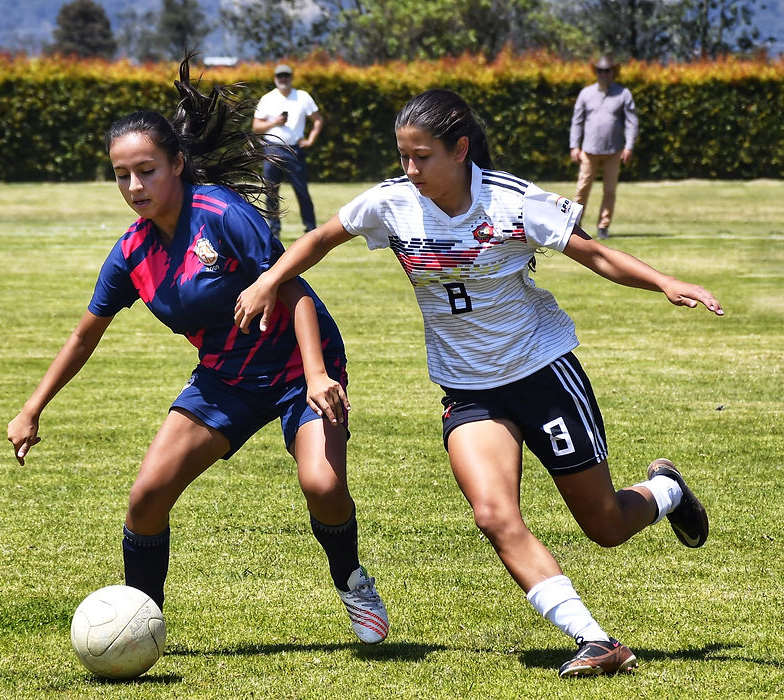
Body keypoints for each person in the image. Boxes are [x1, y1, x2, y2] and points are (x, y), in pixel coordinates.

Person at [235, 88, 722, 677]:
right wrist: (268, 282)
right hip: (468, 391)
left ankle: (665, 492)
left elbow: (594, 255)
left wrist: (665, 281)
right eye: (403, 157)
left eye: (422, 157)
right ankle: (595, 640)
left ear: (460, 150)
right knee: (493, 515)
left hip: (542, 375)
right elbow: (318, 240)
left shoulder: (511, 201)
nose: (409, 170)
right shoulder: (392, 203)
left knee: (606, 525)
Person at [7, 56, 388, 645]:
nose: (135, 187)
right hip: (226, 378)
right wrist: (33, 407)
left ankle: (352, 580)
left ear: (177, 165)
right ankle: (139, 627)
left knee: (322, 484)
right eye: (122, 175)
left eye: (148, 170)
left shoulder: (223, 215)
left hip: (298, 367)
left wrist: (316, 376)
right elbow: (86, 334)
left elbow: (295, 289)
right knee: (146, 498)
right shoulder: (131, 251)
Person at [569, 55, 639, 239]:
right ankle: (575, 223)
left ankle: (603, 227)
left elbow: (632, 122)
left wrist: (629, 146)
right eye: (600, 71)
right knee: (582, 188)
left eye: (607, 71)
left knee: (609, 190)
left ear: (613, 72)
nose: (604, 74)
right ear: (596, 72)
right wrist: (574, 146)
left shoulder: (623, 94)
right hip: (589, 150)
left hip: (614, 151)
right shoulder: (586, 93)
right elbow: (577, 121)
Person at [253, 63, 323, 238]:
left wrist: (311, 139)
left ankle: (311, 228)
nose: (283, 79)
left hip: (294, 149)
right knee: (270, 190)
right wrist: (274, 123)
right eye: (280, 76)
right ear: (275, 79)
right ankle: (274, 229)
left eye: (286, 76)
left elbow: (318, 119)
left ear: (291, 78)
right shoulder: (268, 99)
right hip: (272, 148)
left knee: (302, 191)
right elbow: (256, 126)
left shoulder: (302, 97)